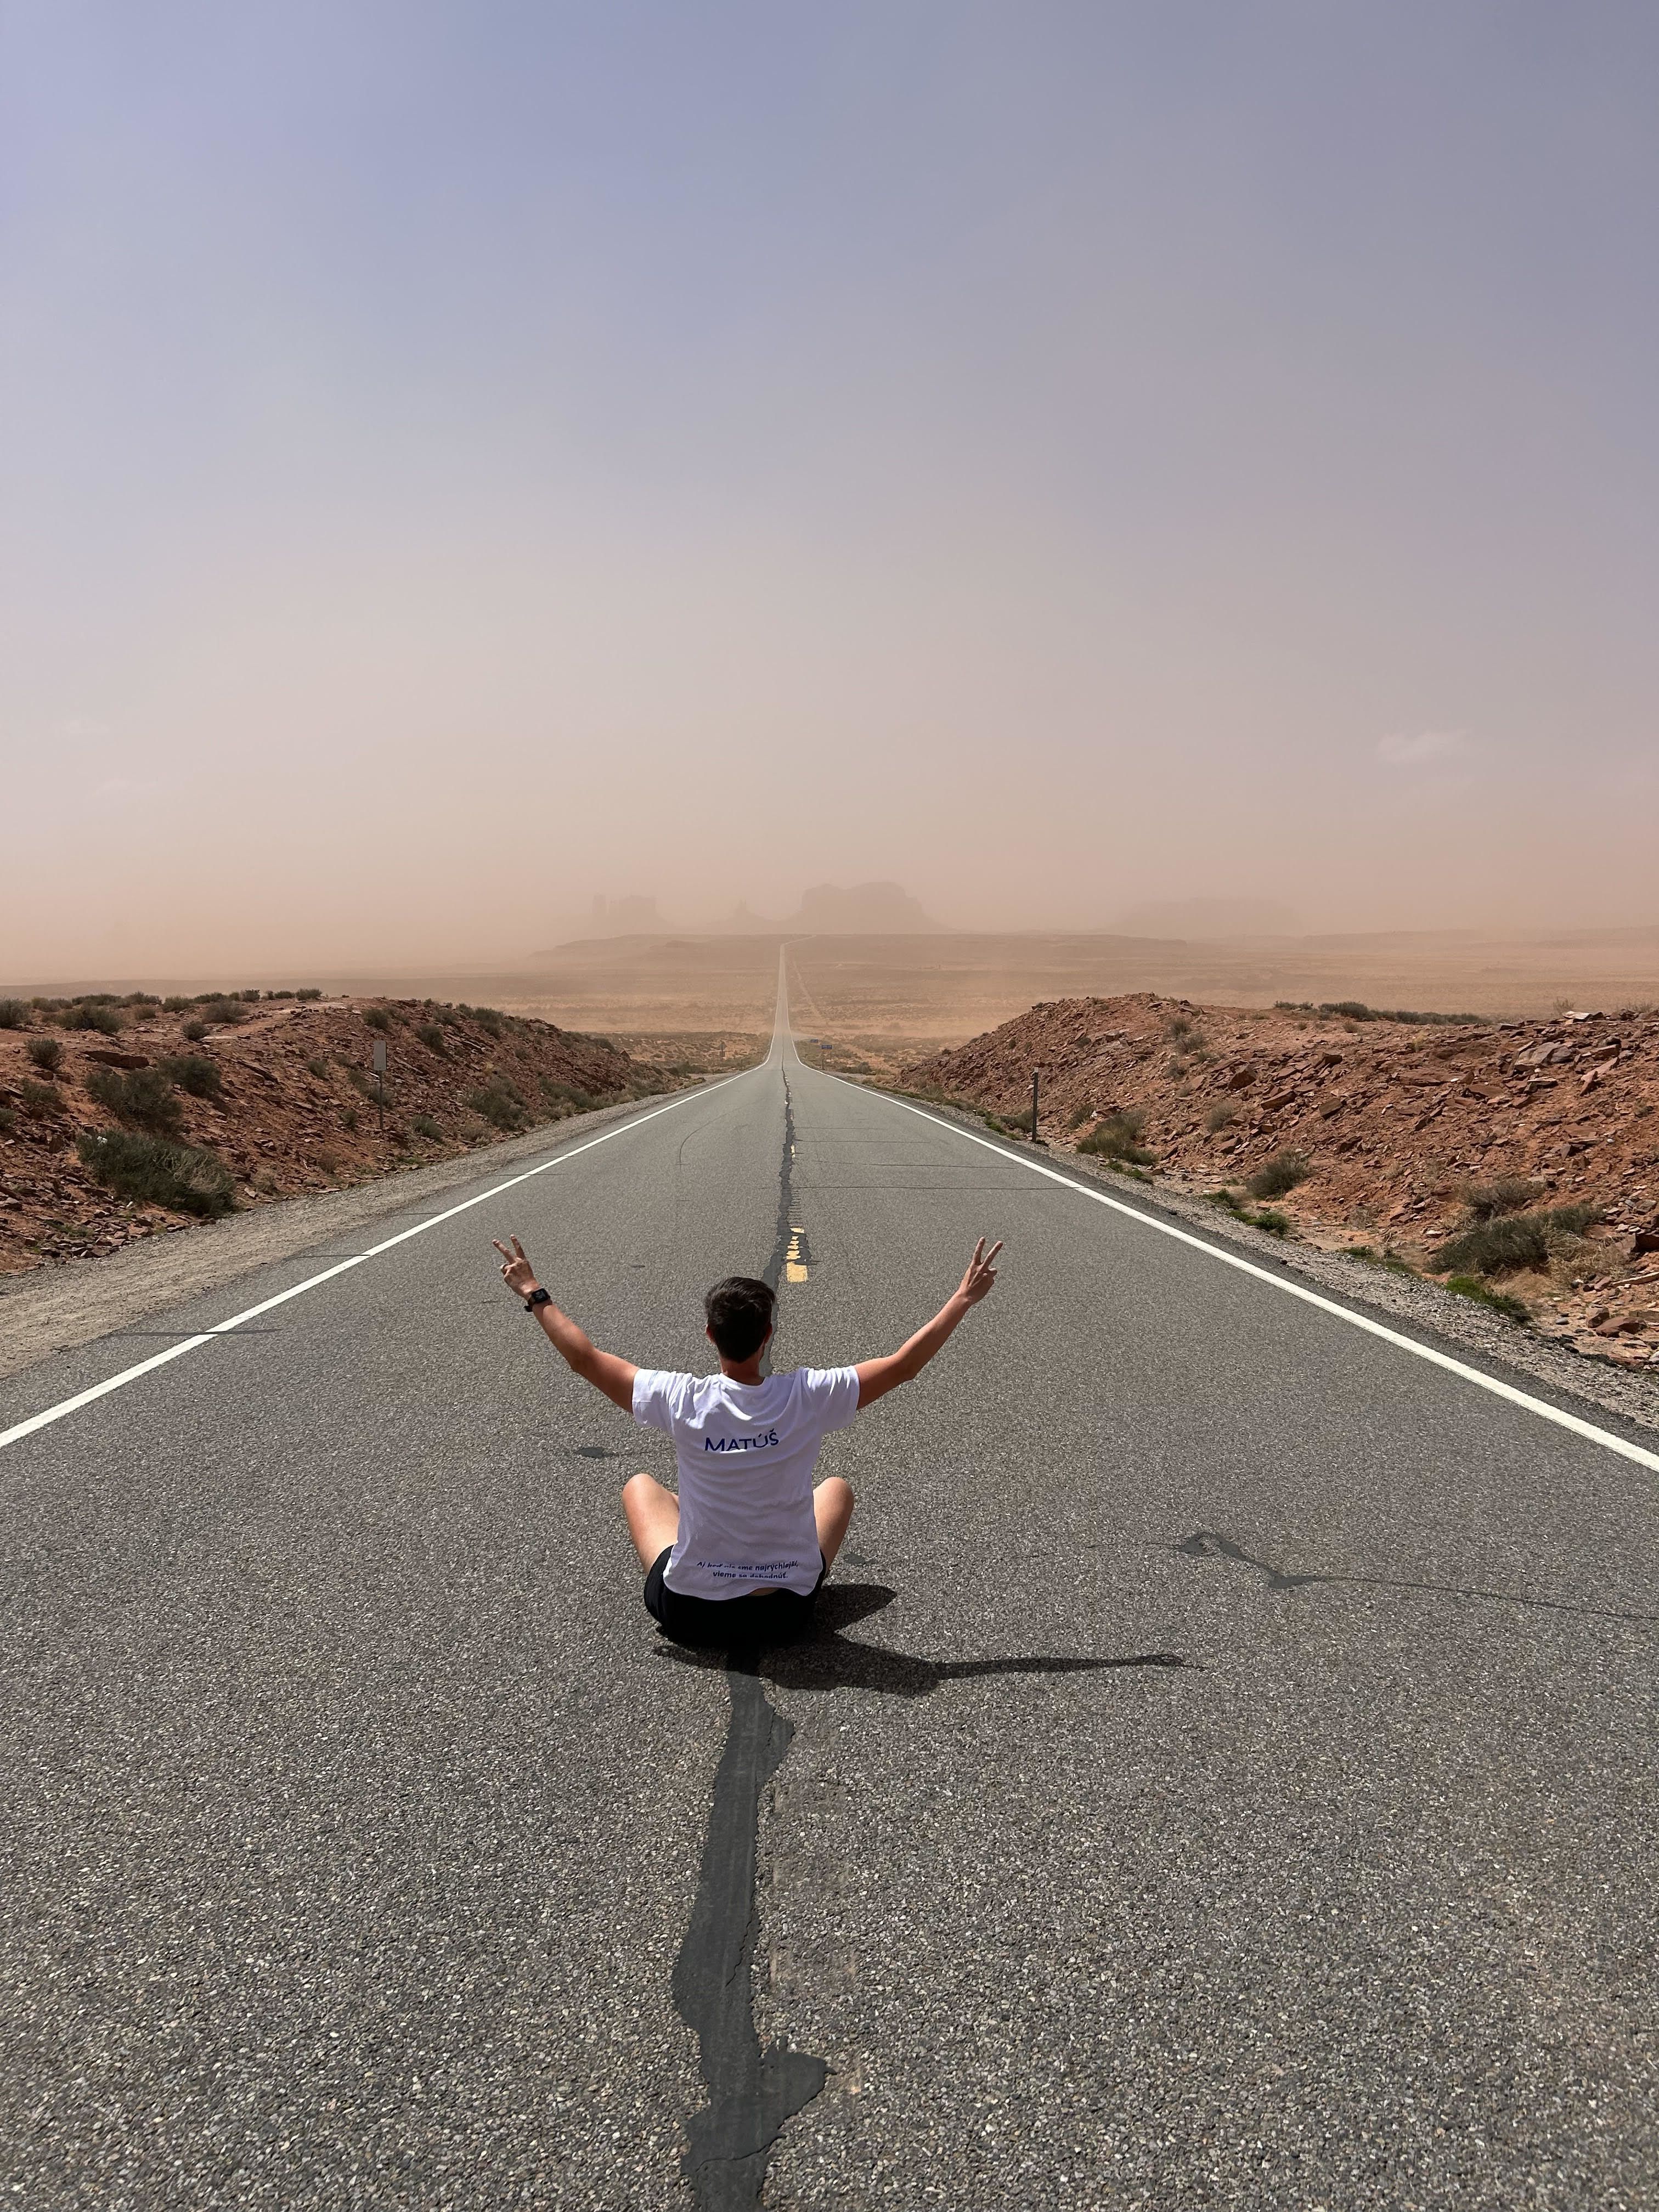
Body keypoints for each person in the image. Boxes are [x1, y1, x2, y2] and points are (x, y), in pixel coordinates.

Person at [492, 1234, 1002, 1647]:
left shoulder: (681, 1397)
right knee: (837, 1489)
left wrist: (534, 1291)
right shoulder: (807, 1395)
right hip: (784, 1617)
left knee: (642, 1487)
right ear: (768, 1336)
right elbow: (904, 1366)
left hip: (692, 1616)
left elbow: (584, 1359)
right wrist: (962, 1299)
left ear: (710, 1335)